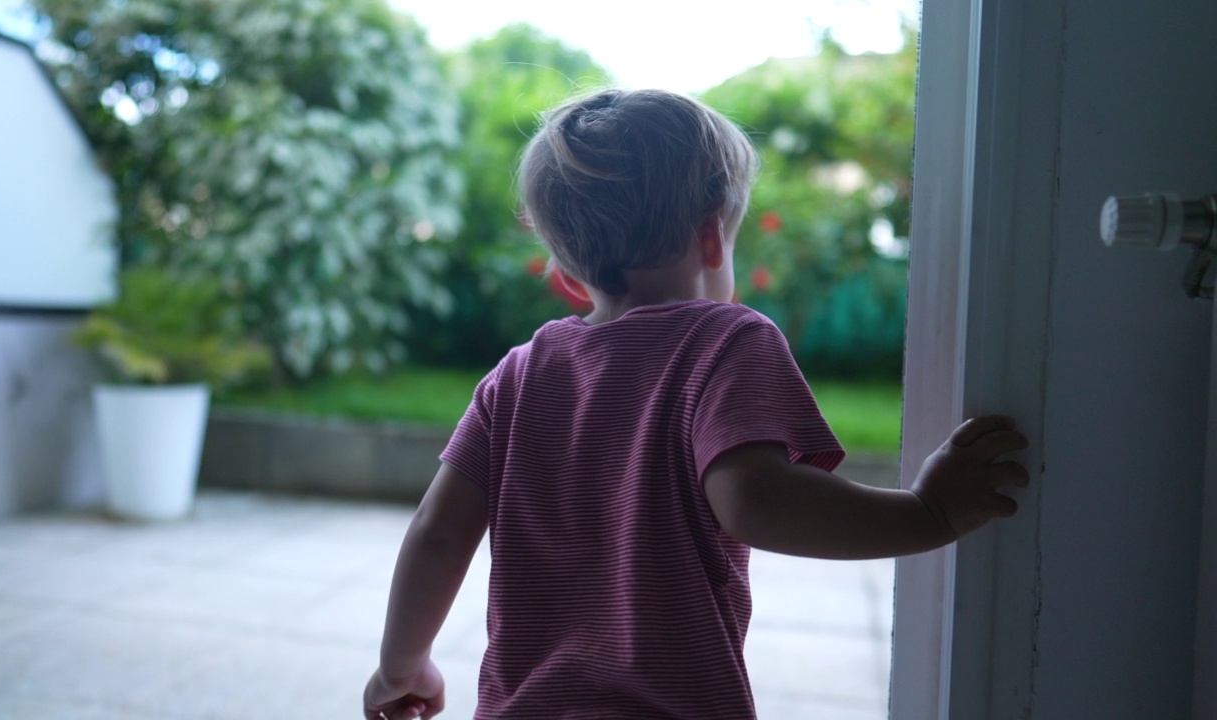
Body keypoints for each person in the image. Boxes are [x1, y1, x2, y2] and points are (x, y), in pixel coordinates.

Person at [363, 89, 1028, 720]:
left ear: (567, 275)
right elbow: (758, 504)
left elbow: (438, 532)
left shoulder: (518, 374)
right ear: (713, 238)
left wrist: (402, 667)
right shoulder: (727, 341)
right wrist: (928, 514)